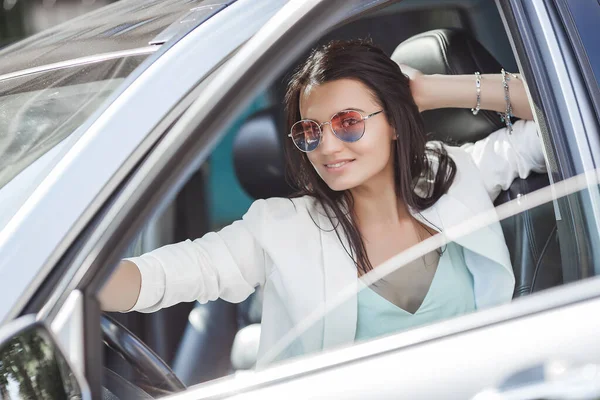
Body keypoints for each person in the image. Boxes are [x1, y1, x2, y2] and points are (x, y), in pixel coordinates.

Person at [100, 39, 546, 366]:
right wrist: (72, 288)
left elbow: (562, 117)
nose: (328, 147)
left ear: (393, 122)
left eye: (348, 123)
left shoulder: (456, 175)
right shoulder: (281, 228)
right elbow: (165, 275)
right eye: (310, 132)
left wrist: (430, 90)